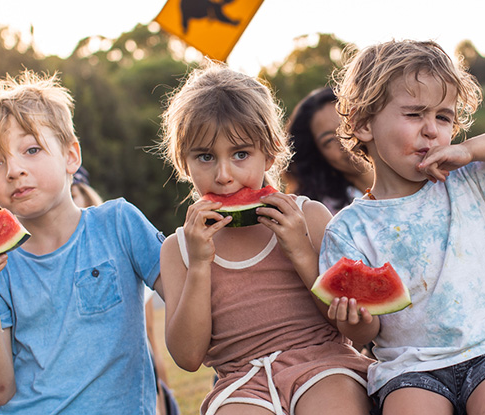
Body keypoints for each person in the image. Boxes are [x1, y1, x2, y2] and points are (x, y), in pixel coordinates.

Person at [320, 39, 485, 415]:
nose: (432, 130)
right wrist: (356, 322)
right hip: (411, 368)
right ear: (363, 124)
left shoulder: (468, 181)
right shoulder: (347, 229)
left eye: (444, 117)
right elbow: (367, 335)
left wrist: (471, 150)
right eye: (414, 115)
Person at [156, 62, 373, 415]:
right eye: (205, 157)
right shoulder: (177, 250)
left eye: (241, 154)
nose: (224, 175)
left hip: (325, 363)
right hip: (240, 382)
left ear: (270, 151)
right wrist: (199, 265)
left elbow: (347, 326)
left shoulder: (311, 216)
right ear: (183, 162)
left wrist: (300, 249)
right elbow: (189, 357)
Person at [0, 70, 164, 413]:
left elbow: (191, 317)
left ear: (71, 156)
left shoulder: (119, 225)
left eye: (31, 149)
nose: (14, 170)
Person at [71, 167, 180, 415]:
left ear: (86, 196)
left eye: (73, 193)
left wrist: (161, 397)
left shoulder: (120, 240)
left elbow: (151, 342)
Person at [285, 87, 374, 214]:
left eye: (347, 125)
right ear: (318, 155)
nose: (345, 141)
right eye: (329, 140)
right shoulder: (326, 214)